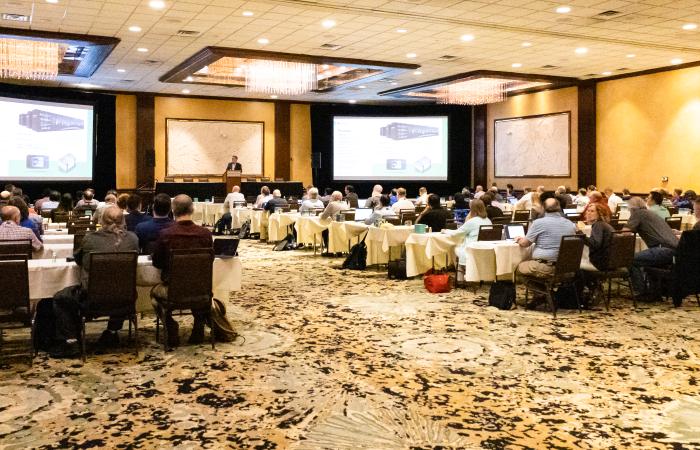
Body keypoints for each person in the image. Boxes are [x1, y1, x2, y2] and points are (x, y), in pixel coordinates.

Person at [51, 206, 139, 357]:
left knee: (60, 298)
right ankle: (112, 332)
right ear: (123, 220)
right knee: (117, 289)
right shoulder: (133, 239)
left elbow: (79, 260)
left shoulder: (90, 238)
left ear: (101, 221)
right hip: (126, 299)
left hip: (92, 300)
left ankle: (71, 341)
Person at [151, 195, 213, 347]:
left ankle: (170, 325)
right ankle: (198, 325)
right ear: (192, 209)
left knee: (153, 294)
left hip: (172, 291)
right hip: (201, 289)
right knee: (194, 291)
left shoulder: (166, 234)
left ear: (173, 210)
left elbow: (157, 263)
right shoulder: (205, 234)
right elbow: (210, 260)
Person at [624, 196, 678, 300]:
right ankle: (654, 292)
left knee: (630, 260)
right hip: (674, 250)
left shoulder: (637, 214)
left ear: (631, 208)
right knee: (647, 260)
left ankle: (642, 291)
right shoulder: (651, 214)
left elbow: (624, 233)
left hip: (662, 249)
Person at [515, 198, 577, 278]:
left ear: (543, 208)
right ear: (559, 208)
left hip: (547, 267)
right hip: (567, 268)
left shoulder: (539, 223)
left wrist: (518, 239)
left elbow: (525, 243)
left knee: (517, 268)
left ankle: (539, 289)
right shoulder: (570, 224)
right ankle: (545, 289)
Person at [454, 199, 492, 264]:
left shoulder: (472, 221)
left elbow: (457, 233)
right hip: (485, 251)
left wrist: (446, 231)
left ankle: (460, 272)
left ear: (472, 209)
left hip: (471, 251)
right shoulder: (488, 221)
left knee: (454, 247)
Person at [580, 202, 614, 271]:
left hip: (601, 263)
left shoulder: (598, 225)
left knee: (574, 264)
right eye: (588, 211)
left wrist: (580, 234)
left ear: (599, 214)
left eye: (592, 211)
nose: (588, 213)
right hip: (612, 261)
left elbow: (595, 244)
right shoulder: (604, 225)